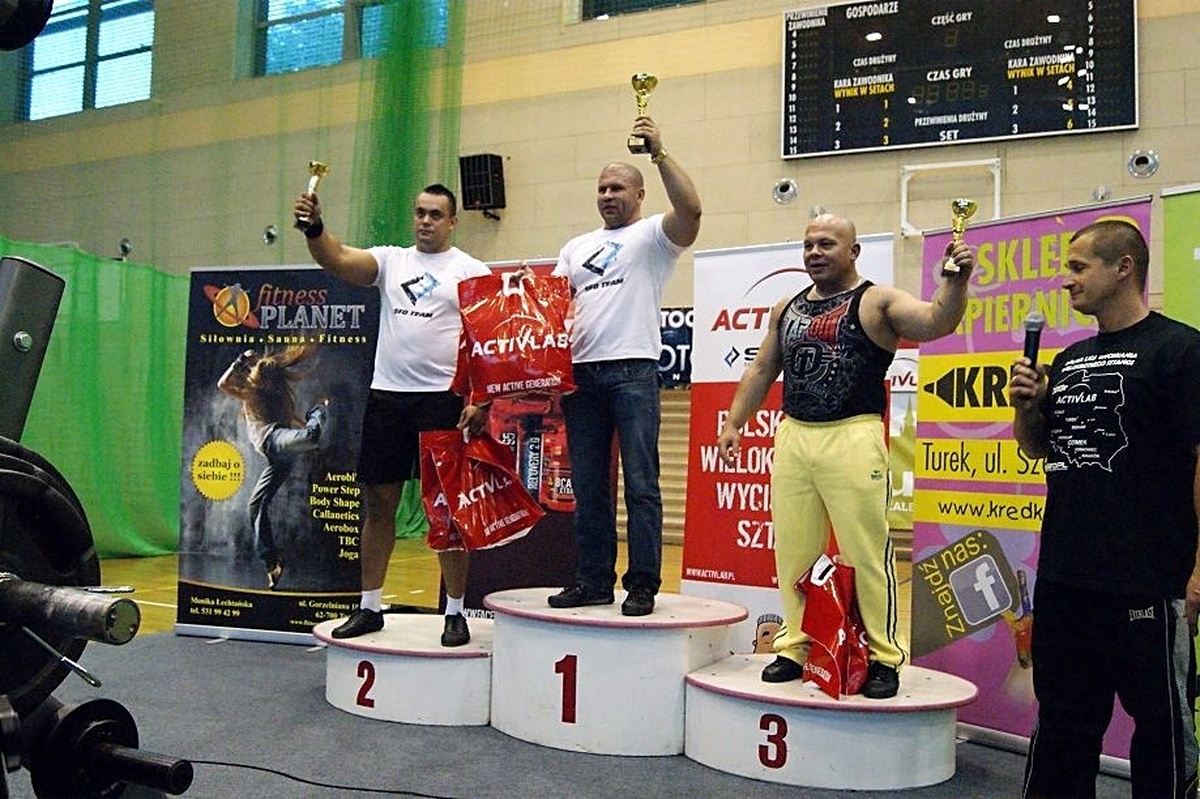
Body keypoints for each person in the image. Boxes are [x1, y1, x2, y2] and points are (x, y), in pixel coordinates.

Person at [716, 213, 974, 699]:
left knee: (865, 554)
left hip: (853, 436)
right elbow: (762, 368)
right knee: (794, 553)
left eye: (827, 244)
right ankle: (798, 645)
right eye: (809, 244)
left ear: (853, 252)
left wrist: (955, 283)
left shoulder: (878, 301)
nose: (815, 252)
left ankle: (883, 656)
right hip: (794, 436)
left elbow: (937, 321)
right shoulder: (786, 307)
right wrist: (734, 422)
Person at [1009, 219, 1200, 797]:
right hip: (1066, 576)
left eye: (1078, 266)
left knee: (1162, 726)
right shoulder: (1069, 359)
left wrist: (1198, 569)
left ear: (1123, 268)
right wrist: (1027, 406)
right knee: (1063, 722)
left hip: (1148, 578)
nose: (1066, 280)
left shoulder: (1181, 349)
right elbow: (1039, 448)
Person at [293, 183, 490, 645]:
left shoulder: (471, 271)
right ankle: (369, 607)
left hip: (441, 401)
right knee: (378, 506)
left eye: (435, 214)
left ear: (452, 221)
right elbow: (336, 258)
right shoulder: (391, 262)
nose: (425, 221)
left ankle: (455, 612)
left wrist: (481, 401)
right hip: (388, 399)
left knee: (446, 512)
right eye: (420, 212)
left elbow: (488, 344)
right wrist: (315, 227)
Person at [547, 116, 702, 617]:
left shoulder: (654, 235)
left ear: (639, 194)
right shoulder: (575, 247)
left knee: (641, 483)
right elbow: (552, 307)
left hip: (633, 371)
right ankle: (593, 581)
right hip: (581, 375)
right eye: (602, 188)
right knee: (589, 486)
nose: (608, 195)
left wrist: (659, 153)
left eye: (617, 188)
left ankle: (642, 585)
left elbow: (692, 210)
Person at [218, 345, 327, 590]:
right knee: (256, 505)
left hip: (275, 440)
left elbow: (222, 384)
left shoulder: (252, 393)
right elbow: (293, 418)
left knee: (310, 437)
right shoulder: (271, 396)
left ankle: (320, 410)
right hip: (277, 456)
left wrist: (239, 361)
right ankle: (272, 564)